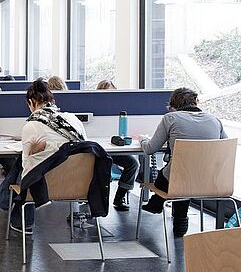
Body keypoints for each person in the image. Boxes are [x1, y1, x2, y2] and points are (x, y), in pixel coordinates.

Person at [0, 79, 87, 233]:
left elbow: (26, 168)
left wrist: (35, 153)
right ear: (52, 100)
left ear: (31, 102)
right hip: (77, 183)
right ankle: (1, 204)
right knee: (33, 160)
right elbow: (83, 147)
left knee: (26, 165)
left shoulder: (32, 125)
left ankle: (20, 219)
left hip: (45, 187)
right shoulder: (73, 119)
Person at [134, 87, 227, 236]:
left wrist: (143, 139)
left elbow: (150, 149)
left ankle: (162, 206)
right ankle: (173, 215)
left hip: (178, 181)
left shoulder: (171, 118)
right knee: (185, 172)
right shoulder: (214, 120)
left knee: (176, 175)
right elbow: (224, 148)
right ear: (196, 101)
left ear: (173, 105)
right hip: (211, 181)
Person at [95, 79, 139, 212]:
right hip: (96, 149)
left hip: (114, 147)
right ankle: (94, 200)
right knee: (100, 166)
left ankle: (119, 198)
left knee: (133, 163)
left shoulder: (119, 108)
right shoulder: (94, 106)